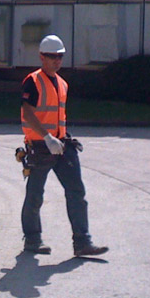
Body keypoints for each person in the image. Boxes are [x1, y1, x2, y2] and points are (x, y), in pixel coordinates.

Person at [20, 34, 108, 258]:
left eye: (59, 56)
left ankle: (82, 242)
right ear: (41, 56)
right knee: (35, 195)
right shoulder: (32, 80)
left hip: (61, 145)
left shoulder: (62, 83)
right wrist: (47, 137)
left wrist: (58, 139)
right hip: (41, 146)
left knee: (76, 191)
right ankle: (32, 240)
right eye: (52, 57)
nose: (56, 61)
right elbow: (27, 113)